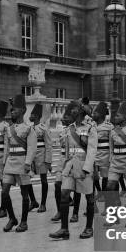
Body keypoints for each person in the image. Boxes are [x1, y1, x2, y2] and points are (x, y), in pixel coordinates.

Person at [50, 99, 97, 240]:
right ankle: (64, 229)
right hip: (69, 166)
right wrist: (60, 169)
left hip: (84, 167)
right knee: (64, 194)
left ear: (81, 111)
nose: (72, 111)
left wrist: (87, 169)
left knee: (89, 198)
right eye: (72, 109)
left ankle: (89, 228)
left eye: (75, 109)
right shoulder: (68, 129)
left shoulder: (90, 128)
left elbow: (92, 151)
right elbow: (65, 151)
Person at [0, 94, 37, 233]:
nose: (12, 111)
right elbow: (6, 147)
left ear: (22, 110)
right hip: (10, 163)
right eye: (11, 109)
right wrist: (4, 163)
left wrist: (28, 163)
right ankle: (12, 218)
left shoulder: (28, 129)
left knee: (24, 194)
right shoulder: (9, 129)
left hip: (22, 163)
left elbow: (32, 148)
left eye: (14, 109)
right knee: (4, 192)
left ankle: (24, 222)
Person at [105, 101, 126, 228]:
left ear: (125, 117)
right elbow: (111, 148)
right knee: (109, 187)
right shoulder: (113, 131)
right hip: (115, 162)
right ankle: (113, 216)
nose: (115, 118)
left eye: (118, 116)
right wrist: (110, 160)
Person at [27, 103, 52, 213]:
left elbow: (49, 145)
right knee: (26, 179)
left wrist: (48, 161)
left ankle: (43, 204)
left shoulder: (43, 128)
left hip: (41, 156)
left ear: (37, 116)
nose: (30, 116)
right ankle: (33, 201)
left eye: (32, 114)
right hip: (31, 157)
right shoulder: (29, 128)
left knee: (44, 180)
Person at [50, 109, 73, 222]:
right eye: (63, 117)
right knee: (57, 185)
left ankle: (76, 213)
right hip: (63, 161)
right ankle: (60, 211)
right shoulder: (62, 131)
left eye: (66, 117)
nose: (63, 119)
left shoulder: (79, 130)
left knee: (79, 190)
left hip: (75, 161)